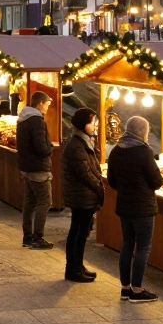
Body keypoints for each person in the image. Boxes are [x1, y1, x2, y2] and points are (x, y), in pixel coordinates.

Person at [106, 116, 163, 303]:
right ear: (141, 131)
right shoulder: (143, 152)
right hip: (143, 207)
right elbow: (157, 181)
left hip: (124, 206)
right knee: (143, 247)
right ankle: (137, 290)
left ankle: (125, 288)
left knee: (127, 244)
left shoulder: (117, 151)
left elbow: (112, 181)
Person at [62, 107, 103, 283]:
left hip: (82, 195)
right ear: (83, 124)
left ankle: (78, 266)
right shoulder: (77, 145)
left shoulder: (83, 142)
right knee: (78, 232)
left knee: (80, 231)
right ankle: (73, 269)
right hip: (81, 195)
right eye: (92, 122)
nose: (94, 126)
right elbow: (84, 173)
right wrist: (98, 187)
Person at [16, 91, 55, 249]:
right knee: (45, 202)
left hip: (26, 166)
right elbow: (41, 147)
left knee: (30, 202)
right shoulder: (37, 121)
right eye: (47, 105)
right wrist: (50, 148)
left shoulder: (23, 119)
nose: (47, 108)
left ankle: (27, 236)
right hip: (38, 168)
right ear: (40, 103)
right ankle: (38, 237)